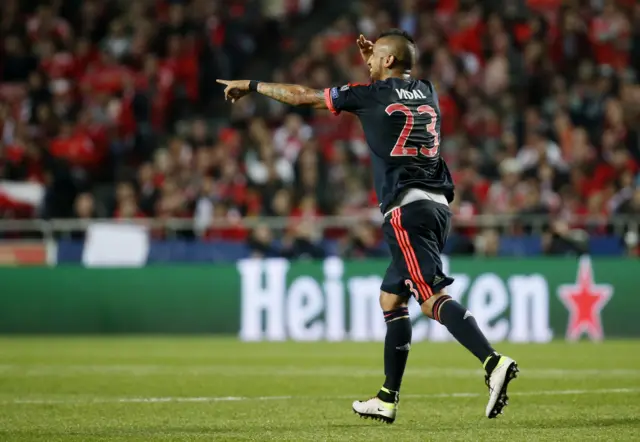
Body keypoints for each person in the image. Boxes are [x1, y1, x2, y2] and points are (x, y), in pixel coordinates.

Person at [217, 29, 518, 423]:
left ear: (388, 61)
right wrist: (374, 62)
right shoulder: (427, 90)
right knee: (391, 300)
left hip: (405, 210)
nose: (369, 60)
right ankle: (387, 397)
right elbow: (392, 87)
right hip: (437, 206)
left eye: (375, 56)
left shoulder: (369, 94)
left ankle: (492, 360)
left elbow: (302, 96)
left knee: (428, 298)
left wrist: (253, 85)